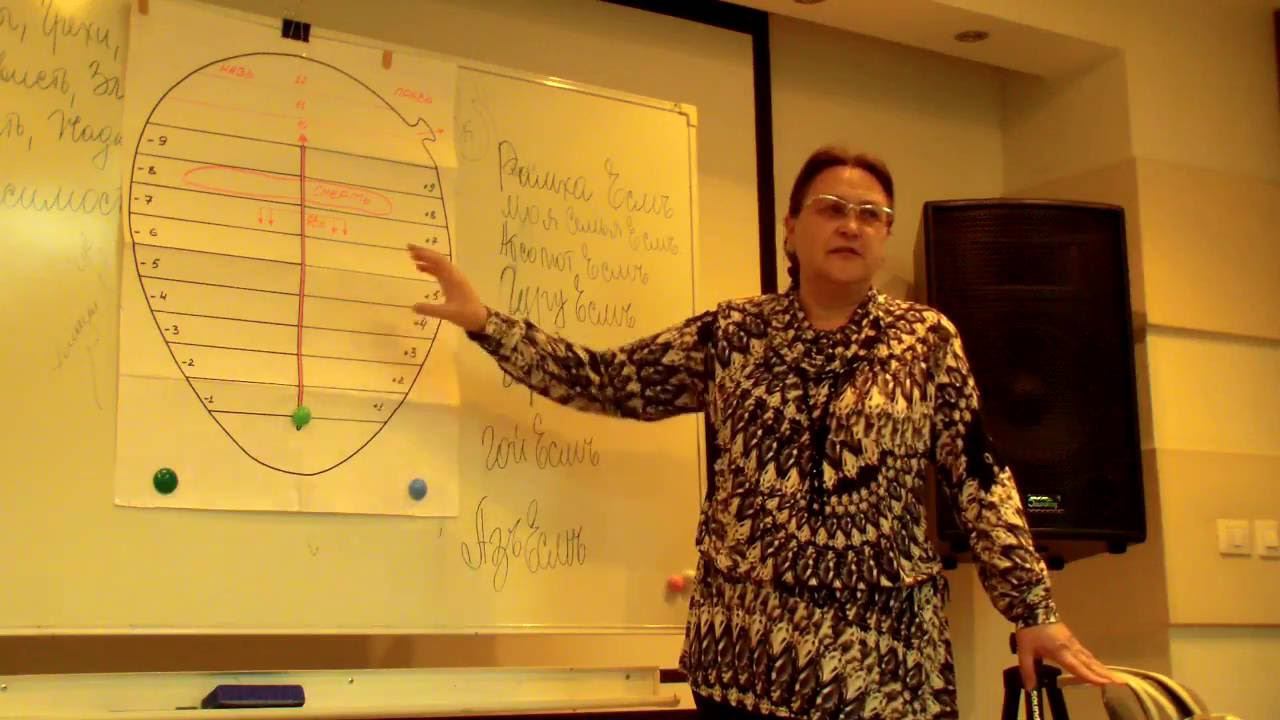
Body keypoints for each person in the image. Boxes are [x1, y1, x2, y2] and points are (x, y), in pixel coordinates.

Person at [407, 146, 1116, 719]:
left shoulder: (925, 340)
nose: (851, 225)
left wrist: (1032, 608)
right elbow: (608, 380)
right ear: (791, 228)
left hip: (885, 665)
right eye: (832, 208)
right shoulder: (733, 335)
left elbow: (979, 478)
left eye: (871, 214)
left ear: (886, 237)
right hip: (747, 657)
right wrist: (486, 324)